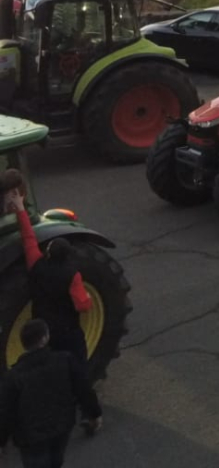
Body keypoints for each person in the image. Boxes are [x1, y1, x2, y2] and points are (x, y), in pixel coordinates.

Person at [2, 171, 92, 369]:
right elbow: (82, 305)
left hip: (45, 327)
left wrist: (19, 210)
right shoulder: (73, 275)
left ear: (49, 252)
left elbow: (29, 238)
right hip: (67, 329)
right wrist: (87, 297)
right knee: (77, 362)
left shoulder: (36, 263)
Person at [0, 319, 103, 468]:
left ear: (23, 344)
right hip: (61, 428)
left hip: (31, 438)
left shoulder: (13, 377)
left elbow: (6, 412)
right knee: (56, 460)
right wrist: (94, 414)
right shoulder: (66, 360)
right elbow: (84, 389)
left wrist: (1, 441)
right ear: (45, 338)